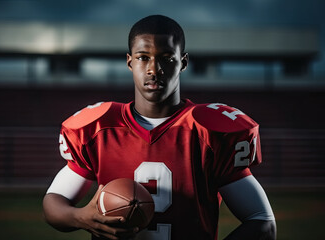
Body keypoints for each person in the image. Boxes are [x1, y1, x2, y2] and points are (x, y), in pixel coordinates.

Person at [43, 15, 276, 240]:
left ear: (183, 62)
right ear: (129, 61)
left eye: (167, 57)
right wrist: (81, 217)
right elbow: (54, 203)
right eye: (143, 57)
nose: (154, 69)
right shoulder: (99, 129)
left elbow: (262, 222)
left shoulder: (208, 133)